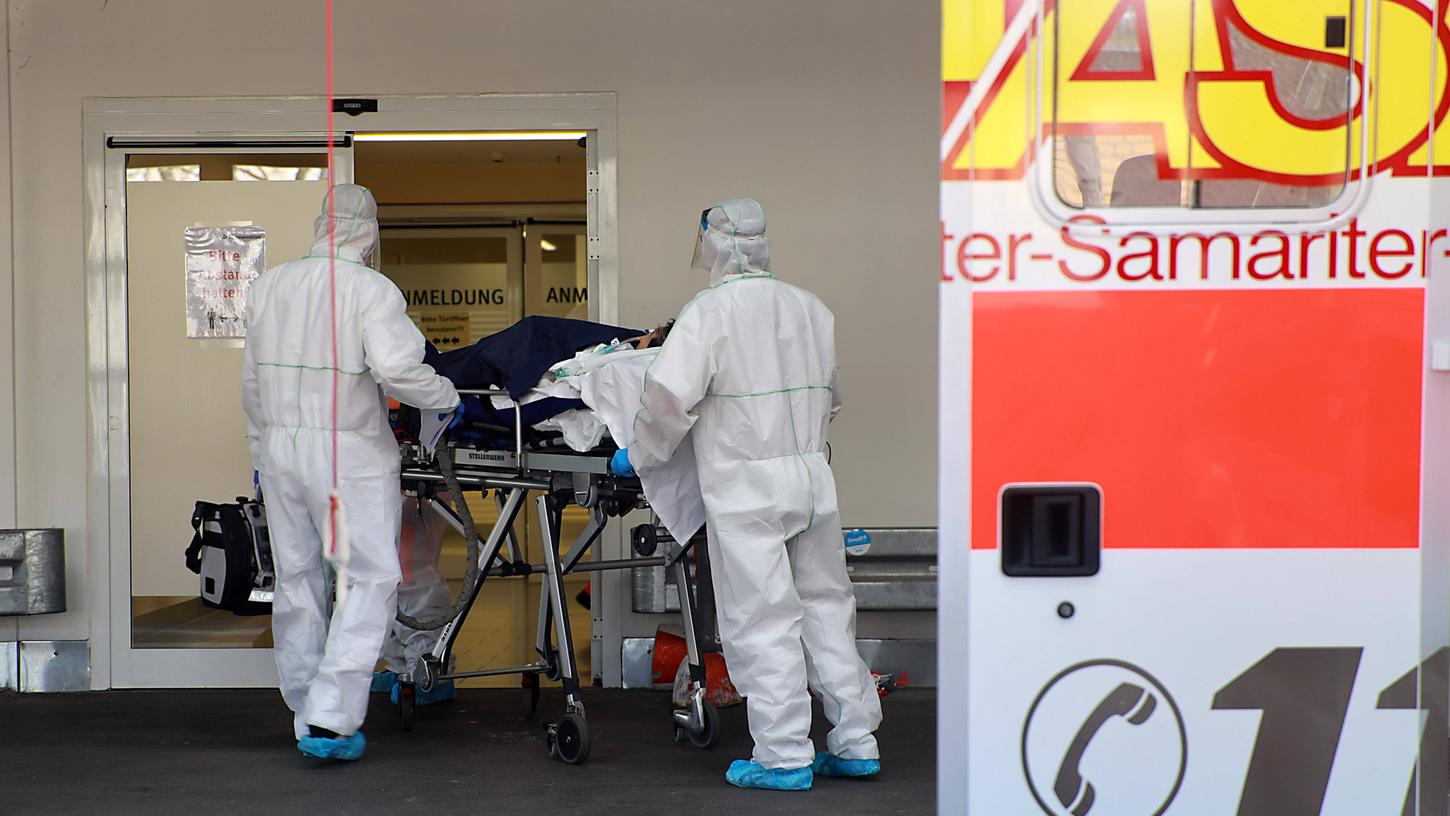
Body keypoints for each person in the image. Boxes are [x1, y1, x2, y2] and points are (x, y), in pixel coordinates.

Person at [613, 198, 882, 791]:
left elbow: (666, 400)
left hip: (744, 487)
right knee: (827, 609)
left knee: (763, 618)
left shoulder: (709, 312)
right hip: (812, 478)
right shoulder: (811, 308)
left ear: (712, 244)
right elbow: (832, 397)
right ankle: (856, 740)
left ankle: (784, 754)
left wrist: (640, 454)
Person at [243, 184, 460, 761]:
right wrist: (445, 395)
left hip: (283, 451)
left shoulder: (269, 286)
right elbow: (397, 369)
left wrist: (260, 454)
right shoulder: (370, 289)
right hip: (347, 457)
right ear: (369, 231)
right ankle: (332, 715)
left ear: (321, 224)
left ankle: (305, 706)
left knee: (297, 579)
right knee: (368, 578)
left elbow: (251, 385)